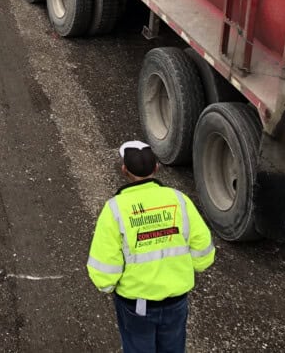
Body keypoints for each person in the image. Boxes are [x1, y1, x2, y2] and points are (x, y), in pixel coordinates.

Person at [87, 141, 215, 353]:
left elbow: (103, 273)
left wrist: (109, 286)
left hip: (136, 306)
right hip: (176, 302)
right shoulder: (179, 200)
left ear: (124, 170)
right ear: (156, 168)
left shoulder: (114, 210)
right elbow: (203, 252)